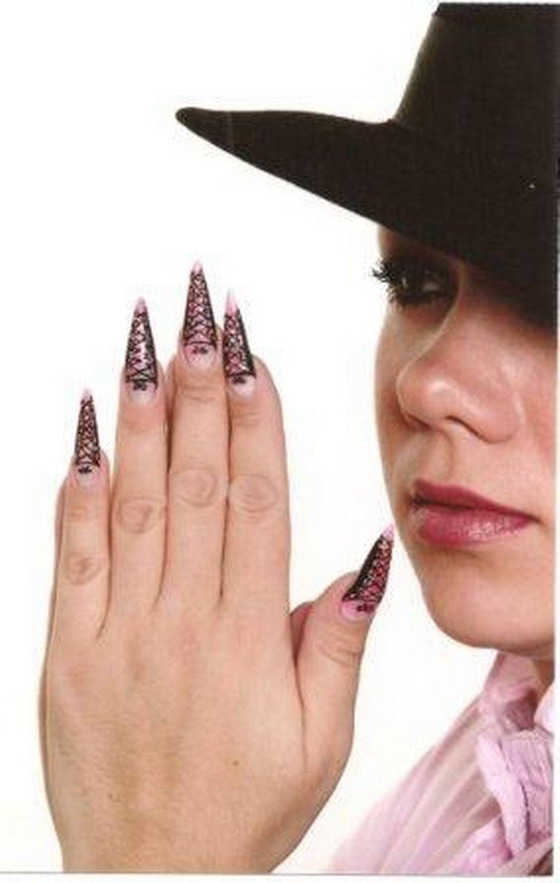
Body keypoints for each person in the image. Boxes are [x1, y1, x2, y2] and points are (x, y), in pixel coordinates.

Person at [40, 3, 556, 874]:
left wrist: (152, 845)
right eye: (415, 281)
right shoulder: (485, 772)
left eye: (548, 302)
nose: (425, 383)